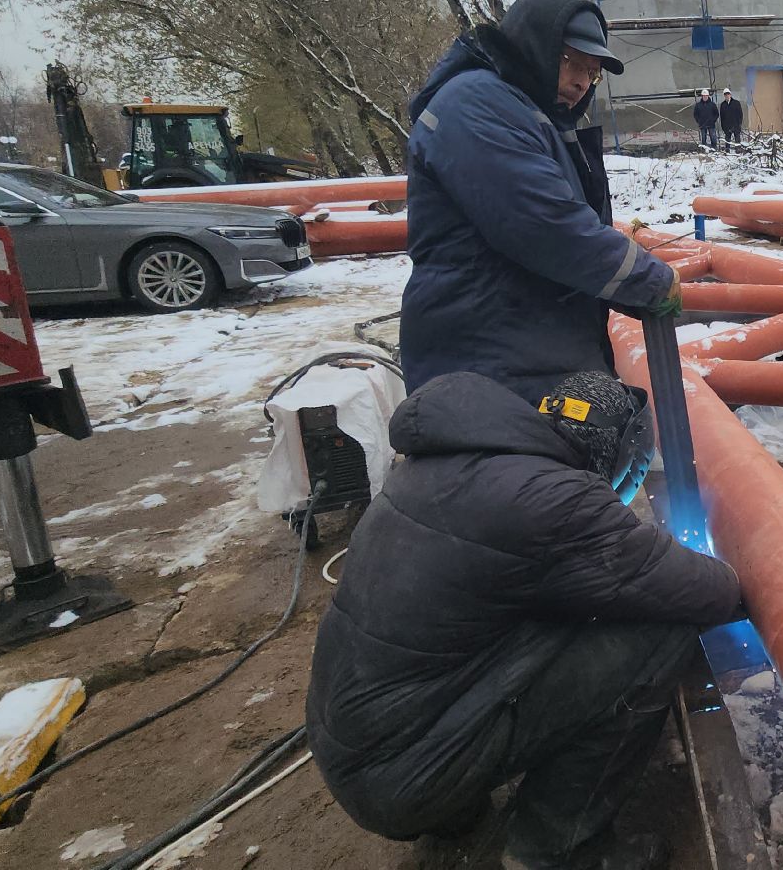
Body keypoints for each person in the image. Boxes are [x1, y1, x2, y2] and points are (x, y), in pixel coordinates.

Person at [308, 369, 743, 870]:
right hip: (404, 777)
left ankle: (455, 808)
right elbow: (707, 592)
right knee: (655, 637)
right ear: (621, 455)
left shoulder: (442, 464)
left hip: (354, 749)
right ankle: (558, 851)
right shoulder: (553, 500)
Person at [399, 0, 682, 403]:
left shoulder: (532, 116)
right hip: (485, 365)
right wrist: (650, 281)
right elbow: (550, 226)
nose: (583, 81)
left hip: (524, 353)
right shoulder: (476, 103)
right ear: (536, 45)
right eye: (572, 62)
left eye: (593, 71)